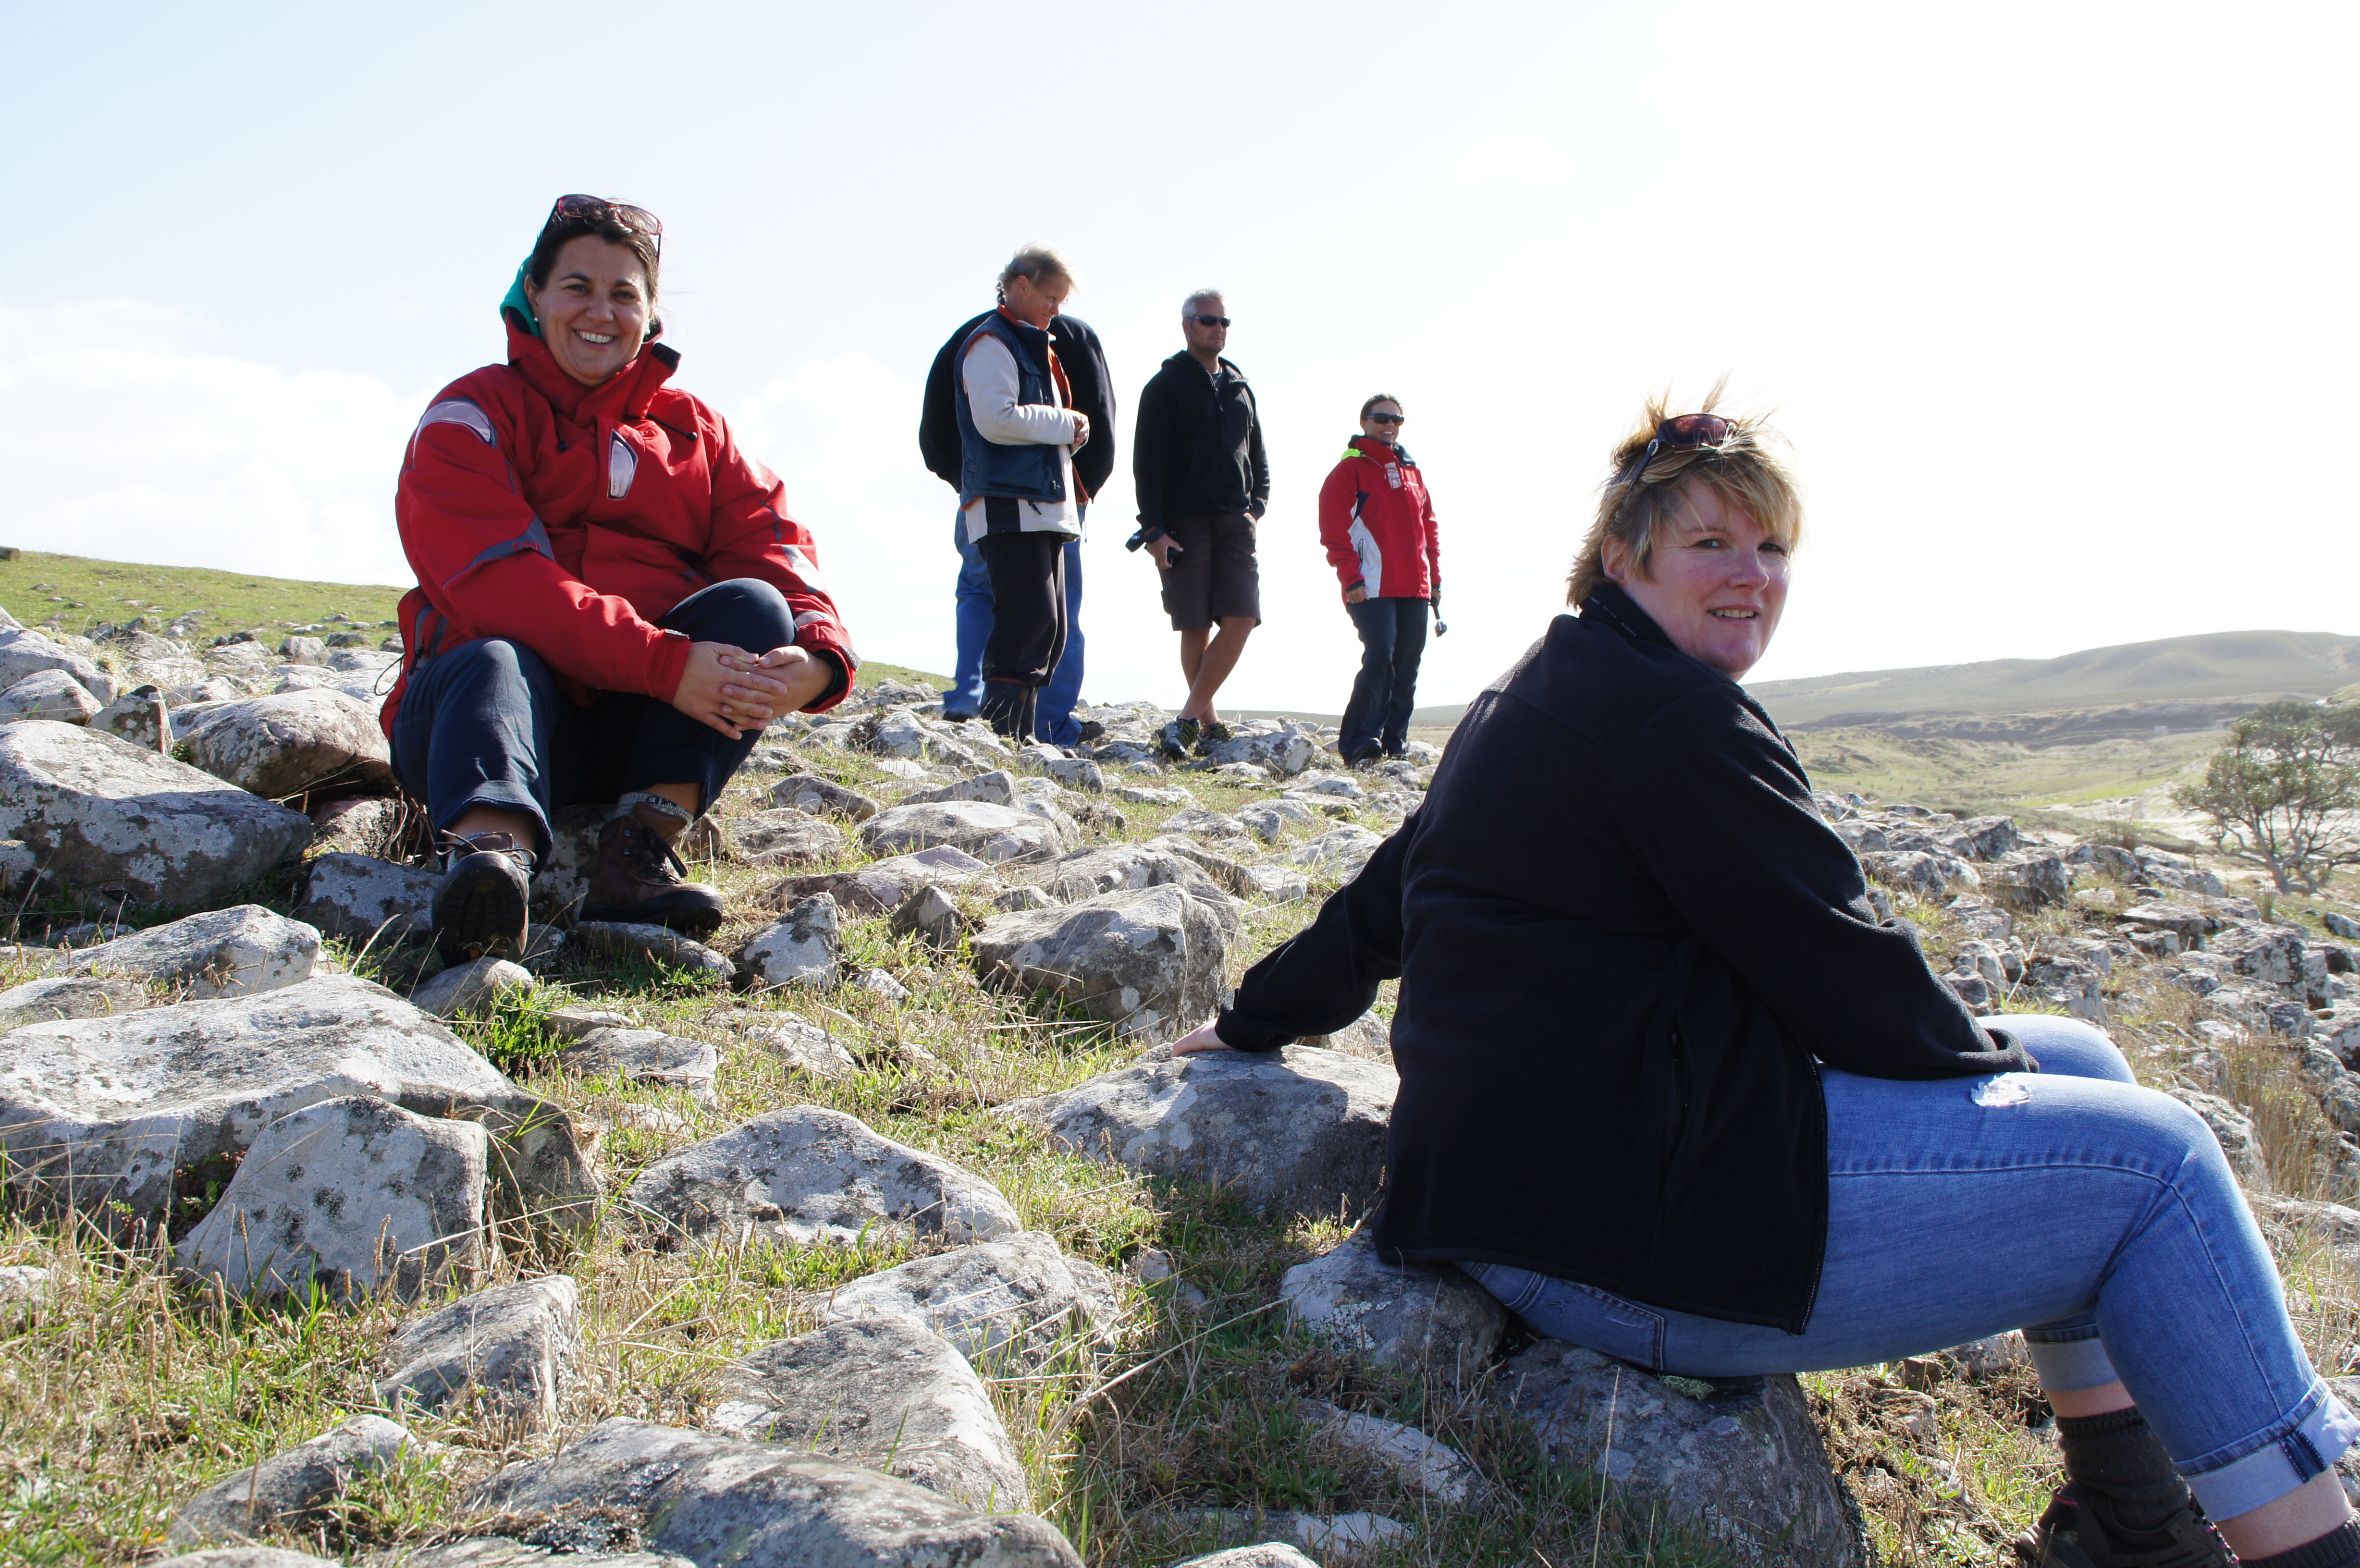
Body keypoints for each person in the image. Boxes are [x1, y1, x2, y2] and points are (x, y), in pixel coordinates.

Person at [1171, 395, 2360, 1568]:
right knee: (2156, 1167)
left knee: (2082, 1063)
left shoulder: (1547, 684)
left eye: (1771, 547)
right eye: (1709, 543)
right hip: (1618, 1241)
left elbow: (1387, 891)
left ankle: (2127, 1525)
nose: (1750, 575)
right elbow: (1848, 980)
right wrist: (1988, 1075)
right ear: (1620, 553)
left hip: (1538, 1186)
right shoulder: (1671, 720)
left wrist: (1250, 1018)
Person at [388, 195, 856, 964]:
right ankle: (489, 864)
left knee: (754, 606)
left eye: (623, 294)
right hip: (479, 721)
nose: (599, 312)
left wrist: (819, 659)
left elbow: (772, 546)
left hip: (629, 727)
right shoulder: (470, 416)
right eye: (577, 287)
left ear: (650, 311)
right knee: (495, 655)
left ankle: (637, 852)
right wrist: (664, 663)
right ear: (534, 293)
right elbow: (500, 585)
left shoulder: (699, 431)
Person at [919, 300, 1115, 745]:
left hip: (982, 495)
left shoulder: (971, 334)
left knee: (983, 594)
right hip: (1049, 499)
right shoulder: (1070, 336)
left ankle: (968, 703)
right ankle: (1046, 725)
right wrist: (1082, 485)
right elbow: (1100, 414)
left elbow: (935, 425)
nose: (1055, 304)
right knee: (1051, 612)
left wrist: (965, 478)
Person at [949, 245, 1090, 742]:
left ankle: (1019, 737)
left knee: (1049, 627)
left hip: (1040, 505)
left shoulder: (1029, 344)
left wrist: (1065, 435)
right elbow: (996, 419)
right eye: (1051, 297)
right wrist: (1066, 424)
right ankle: (1002, 737)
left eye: (1062, 301)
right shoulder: (991, 342)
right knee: (1026, 621)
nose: (1056, 309)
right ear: (1021, 284)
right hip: (1011, 505)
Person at [1131, 289, 1268, 758]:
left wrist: (1255, 508)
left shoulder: (1240, 387)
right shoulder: (1164, 386)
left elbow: (1258, 456)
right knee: (1195, 627)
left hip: (1236, 522)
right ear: (1188, 325)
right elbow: (1146, 465)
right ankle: (1208, 726)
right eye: (1209, 321)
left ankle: (1187, 720)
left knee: (1243, 616)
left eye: (1224, 322)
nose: (1218, 329)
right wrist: (1154, 531)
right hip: (1184, 522)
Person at [1317, 393, 1440, 765]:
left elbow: (1429, 531)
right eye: (1381, 418)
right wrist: (1350, 577)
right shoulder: (1350, 470)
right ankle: (1359, 742)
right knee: (1380, 657)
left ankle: (1394, 744)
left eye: (1396, 420)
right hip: (1370, 585)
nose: (1389, 425)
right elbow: (1333, 530)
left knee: (1407, 664)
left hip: (1416, 588)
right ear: (1364, 423)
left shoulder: (1412, 472)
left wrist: (1435, 582)